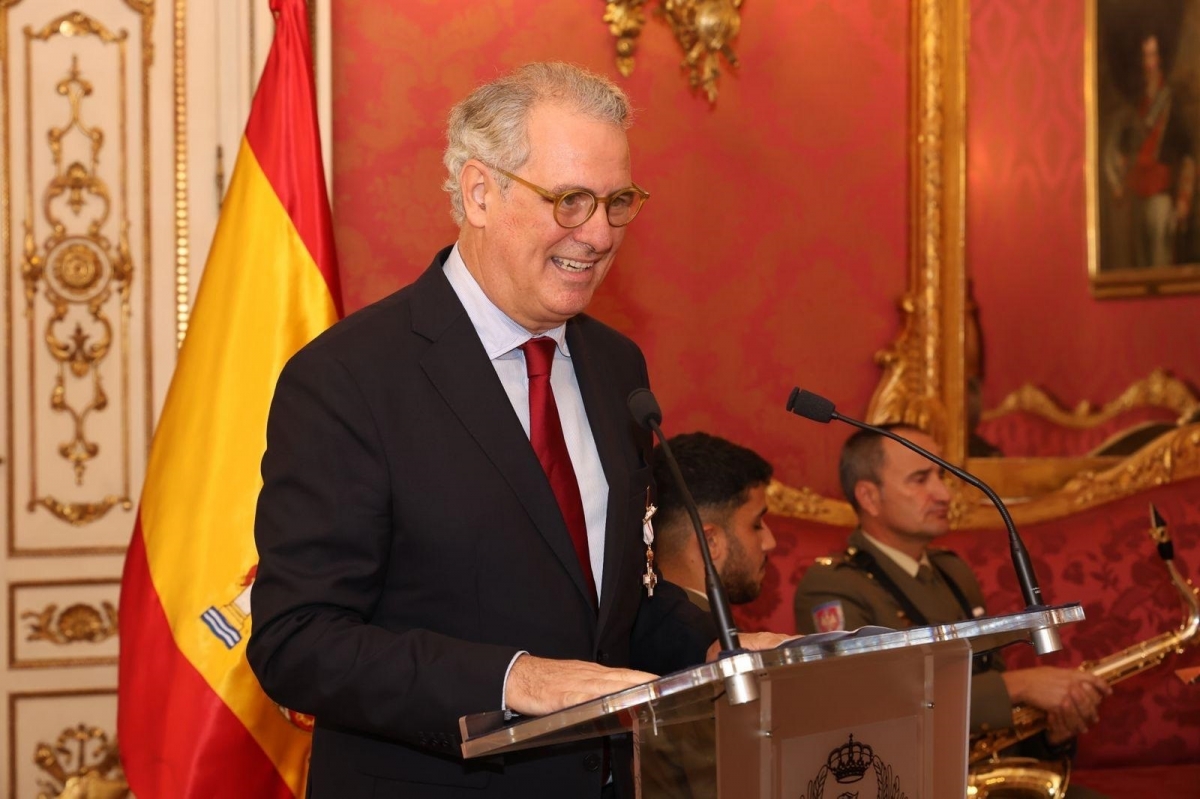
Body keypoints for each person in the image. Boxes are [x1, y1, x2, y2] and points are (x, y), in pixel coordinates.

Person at [248, 62, 785, 799]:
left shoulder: (613, 364)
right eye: (570, 201)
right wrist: (512, 677)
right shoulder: (350, 378)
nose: (598, 233)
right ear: (479, 192)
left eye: (616, 201)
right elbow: (299, 640)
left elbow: (613, 604)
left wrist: (719, 646)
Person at [793, 426, 1112, 791]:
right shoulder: (834, 586)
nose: (944, 493)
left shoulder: (952, 572)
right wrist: (1015, 687)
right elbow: (866, 709)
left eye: (941, 477)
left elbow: (990, 719)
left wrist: (1053, 732)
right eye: (920, 479)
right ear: (869, 496)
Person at [638, 432, 776, 799]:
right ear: (710, 542)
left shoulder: (640, 623)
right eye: (757, 524)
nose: (770, 542)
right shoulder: (701, 643)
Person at [1104, 32, 1196, 268]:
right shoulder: (1136, 105)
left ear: (1160, 60)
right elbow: (1123, 152)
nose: (1148, 63)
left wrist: (1184, 199)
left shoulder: (1171, 103)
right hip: (1137, 199)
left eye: (1152, 56)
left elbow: (1188, 156)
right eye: (1145, 57)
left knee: (1160, 266)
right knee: (1140, 266)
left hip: (1160, 199)